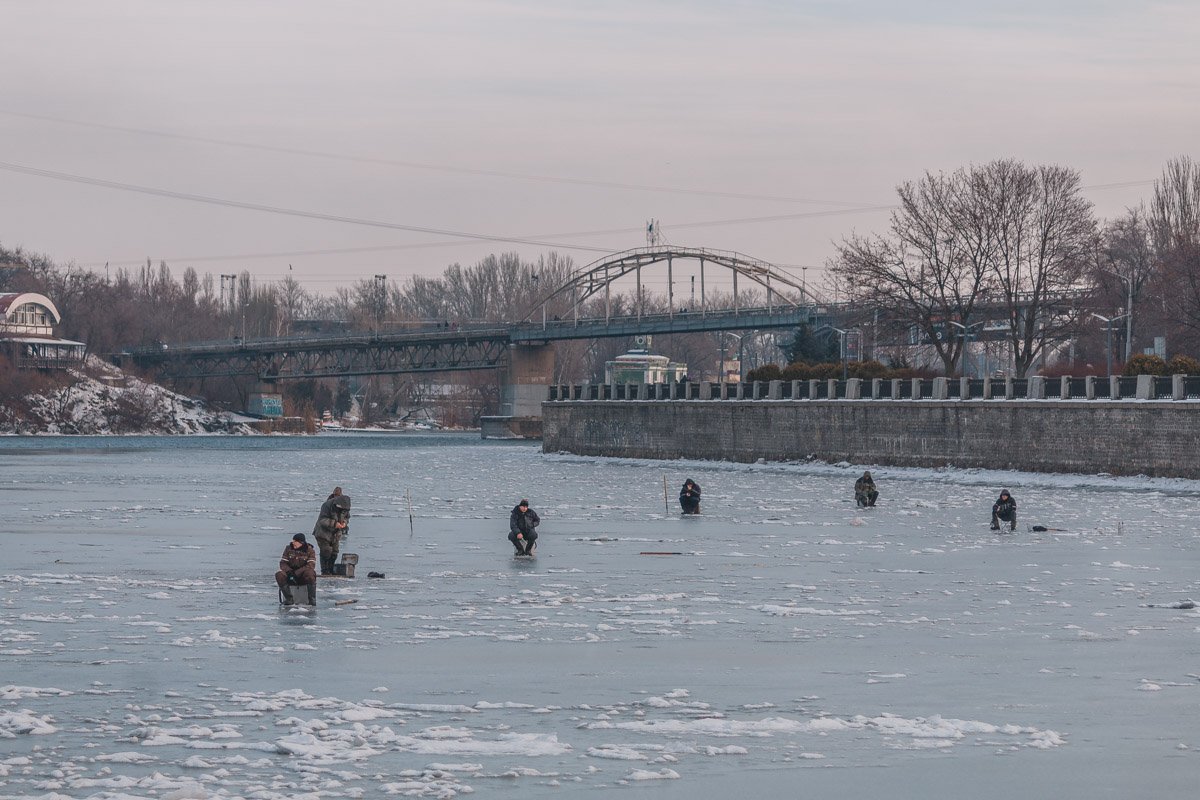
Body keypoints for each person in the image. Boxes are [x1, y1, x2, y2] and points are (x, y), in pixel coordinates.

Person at [313, 492, 351, 574]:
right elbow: (322, 520)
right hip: (322, 533)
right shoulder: (327, 506)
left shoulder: (346, 508)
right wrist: (334, 524)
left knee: (334, 552)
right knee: (326, 551)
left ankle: (331, 569)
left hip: (336, 534)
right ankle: (324, 570)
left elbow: (347, 518)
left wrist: (344, 523)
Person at [276, 533, 317, 605]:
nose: (293, 542)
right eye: (293, 540)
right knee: (279, 575)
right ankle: (289, 599)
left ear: (301, 542)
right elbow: (283, 563)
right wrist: (289, 572)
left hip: (303, 576)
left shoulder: (310, 550)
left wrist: (297, 573)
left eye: (295, 541)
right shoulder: (288, 548)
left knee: (310, 573)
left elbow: (310, 565)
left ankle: (312, 600)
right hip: (290, 575)